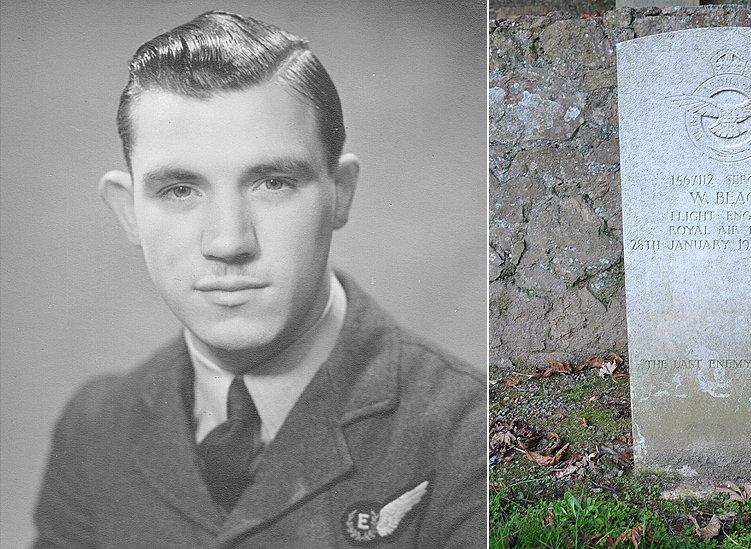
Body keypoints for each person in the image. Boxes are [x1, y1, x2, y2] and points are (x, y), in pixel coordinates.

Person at [33, 11, 485, 548]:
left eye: (273, 183)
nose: (228, 242)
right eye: (180, 190)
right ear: (128, 210)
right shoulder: (94, 431)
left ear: (340, 192)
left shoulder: (467, 432)